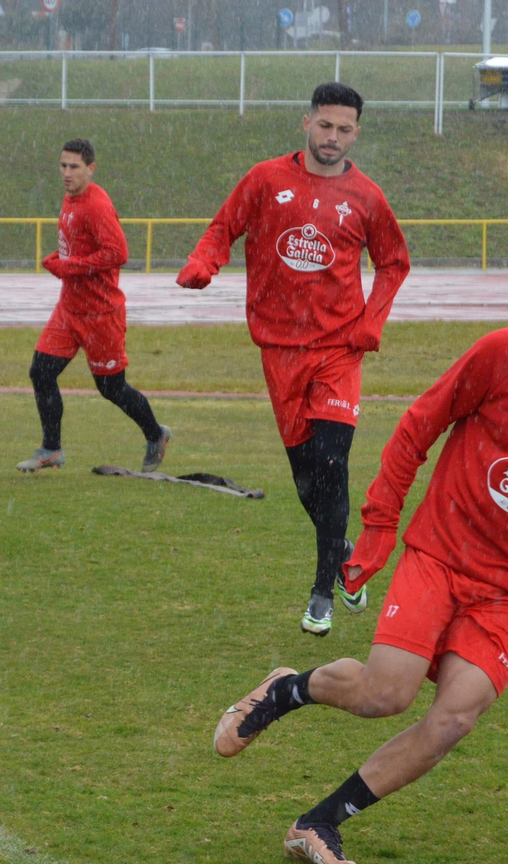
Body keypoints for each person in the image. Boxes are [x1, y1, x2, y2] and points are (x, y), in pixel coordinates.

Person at [212, 249, 508, 864]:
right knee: (384, 693)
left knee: (455, 716)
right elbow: (417, 428)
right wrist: (377, 530)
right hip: (442, 555)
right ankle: (288, 688)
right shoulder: (505, 354)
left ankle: (320, 823)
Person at [178, 82, 410, 636]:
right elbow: (222, 228)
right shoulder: (265, 180)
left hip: (337, 353)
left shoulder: (368, 198)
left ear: (358, 132)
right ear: (305, 123)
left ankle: (321, 592)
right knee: (308, 484)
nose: (333, 137)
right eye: (324, 125)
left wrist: (370, 323)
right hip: (279, 354)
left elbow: (395, 263)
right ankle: (344, 553)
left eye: (344, 128)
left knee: (332, 467)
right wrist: (203, 261)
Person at [17, 137, 170, 474]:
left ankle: (155, 434)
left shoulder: (96, 205)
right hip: (69, 310)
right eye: (63, 165)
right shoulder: (70, 198)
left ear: (91, 168)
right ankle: (51, 449)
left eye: (74, 167)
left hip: (101, 314)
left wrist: (67, 267)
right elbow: (78, 247)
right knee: (41, 372)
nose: (66, 173)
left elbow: (118, 253)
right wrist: (59, 258)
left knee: (111, 388)